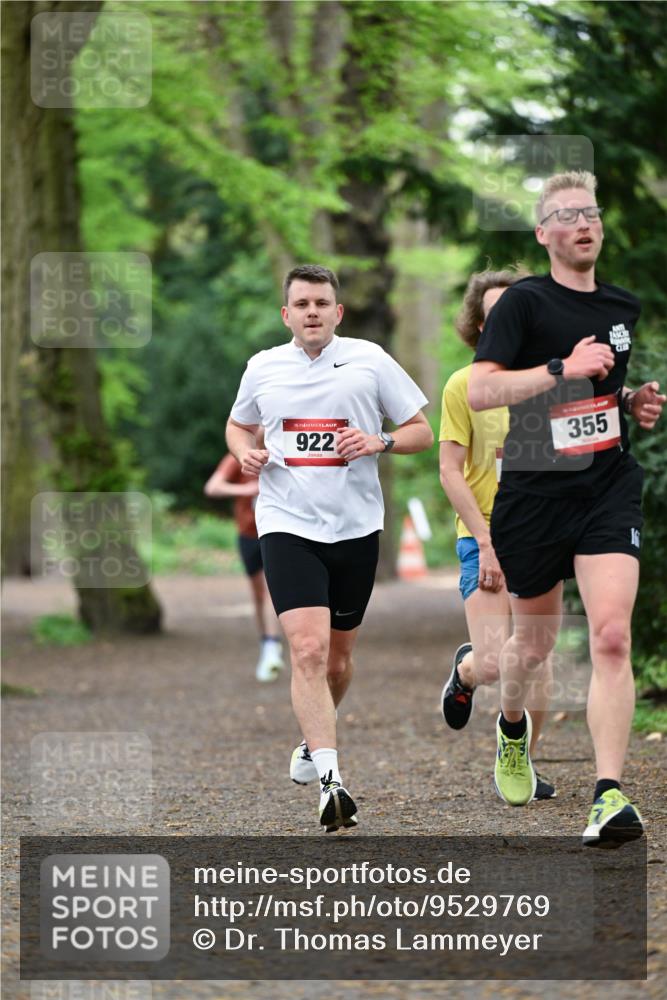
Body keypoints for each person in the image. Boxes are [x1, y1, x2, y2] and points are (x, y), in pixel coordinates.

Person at [468, 171, 665, 847]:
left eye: (591, 212)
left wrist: (626, 404)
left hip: (605, 483)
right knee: (533, 644)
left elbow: (591, 402)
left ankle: (607, 794)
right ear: (543, 233)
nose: (583, 223)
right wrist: (561, 369)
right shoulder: (521, 305)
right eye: (567, 214)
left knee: (611, 636)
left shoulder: (620, 306)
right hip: (531, 495)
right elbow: (483, 394)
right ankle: (512, 730)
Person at [226, 264, 433, 831]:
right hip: (286, 523)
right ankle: (331, 781)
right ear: (286, 314)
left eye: (322, 302)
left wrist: (379, 440)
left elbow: (421, 430)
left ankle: (310, 741)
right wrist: (246, 452)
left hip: (356, 526)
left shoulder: (370, 359)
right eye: (302, 303)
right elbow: (238, 426)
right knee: (309, 652)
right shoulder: (263, 367)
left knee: (338, 661)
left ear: (337, 313)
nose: (312, 311)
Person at [439, 269, 555, 801]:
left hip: (539, 534)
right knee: (491, 663)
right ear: (479, 325)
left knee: (536, 659)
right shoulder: (464, 386)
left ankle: (521, 759)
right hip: (482, 535)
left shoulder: (552, 380)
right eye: (494, 314)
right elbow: (449, 471)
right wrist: (485, 541)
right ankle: (464, 673)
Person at [204, 442, 285, 682]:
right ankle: (266, 645)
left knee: (271, 591)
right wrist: (248, 490)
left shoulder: (283, 447)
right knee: (258, 594)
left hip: (279, 530)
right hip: (248, 532)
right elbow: (213, 487)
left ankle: (272, 646)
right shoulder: (239, 455)